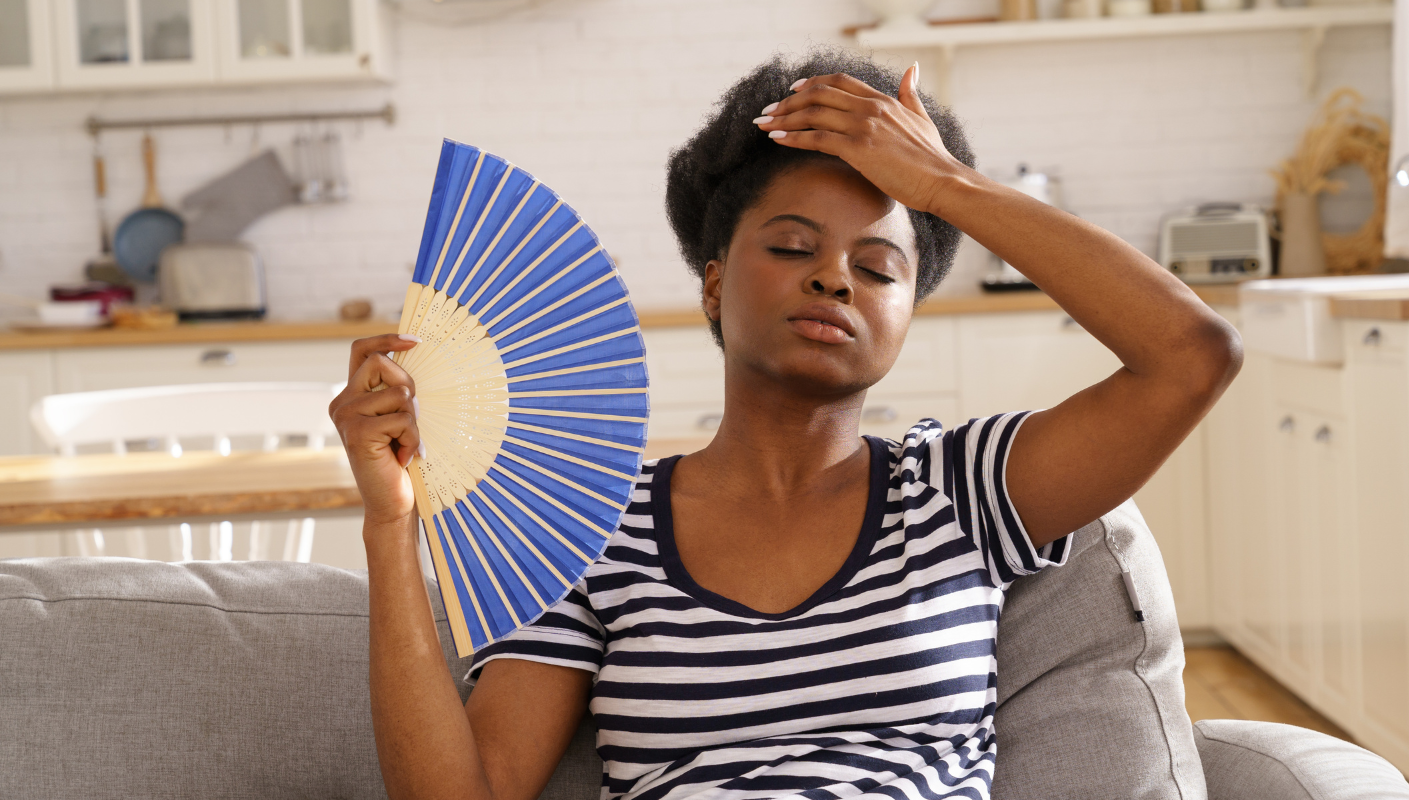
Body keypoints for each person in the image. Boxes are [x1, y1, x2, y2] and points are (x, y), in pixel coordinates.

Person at [330, 50, 1240, 800]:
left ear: (908, 311)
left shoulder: (962, 489)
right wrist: (389, 521)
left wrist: (943, 184)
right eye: (794, 247)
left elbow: (1192, 355)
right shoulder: (593, 525)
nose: (836, 278)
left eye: (880, 269)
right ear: (716, 283)